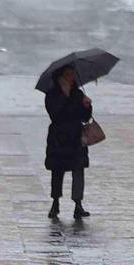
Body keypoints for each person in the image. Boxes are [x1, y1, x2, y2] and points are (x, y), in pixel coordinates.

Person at [44, 65, 93, 219]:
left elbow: (85, 118)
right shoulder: (52, 94)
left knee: (78, 170)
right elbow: (56, 114)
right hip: (58, 138)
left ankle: (78, 204)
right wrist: (68, 100)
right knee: (57, 172)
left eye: (72, 74)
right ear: (60, 76)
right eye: (67, 74)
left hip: (76, 138)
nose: (70, 77)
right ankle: (55, 203)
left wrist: (87, 106)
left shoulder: (77, 94)